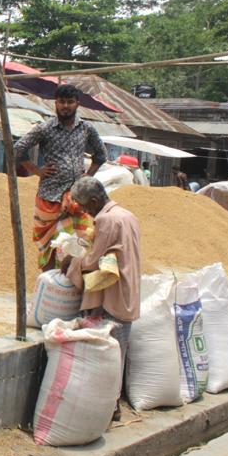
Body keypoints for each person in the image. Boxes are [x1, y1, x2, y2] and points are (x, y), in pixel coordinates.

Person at [62, 176, 141, 421]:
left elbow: (93, 259)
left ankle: (108, 407)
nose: (85, 212)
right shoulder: (127, 215)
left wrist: (70, 264)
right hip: (128, 290)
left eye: (85, 207)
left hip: (112, 294)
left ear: (95, 201)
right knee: (118, 351)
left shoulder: (107, 219)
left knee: (108, 355)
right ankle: (112, 404)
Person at [13, 84, 108, 270]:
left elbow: (101, 155)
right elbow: (18, 149)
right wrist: (36, 170)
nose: (66, 106)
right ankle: (50, 285)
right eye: (62, 102)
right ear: (55, 103)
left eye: (70, 102)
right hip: (49, 198)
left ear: (77, 104)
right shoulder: (45, 128)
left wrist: (87, 178)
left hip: (78, 199)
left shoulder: (86, 128)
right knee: (50, 246)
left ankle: (71, 285)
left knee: (78, 246)